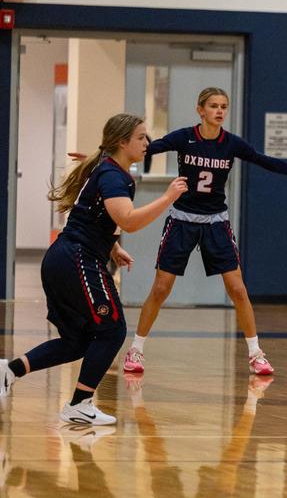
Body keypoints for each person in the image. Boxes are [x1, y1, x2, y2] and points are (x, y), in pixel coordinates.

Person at [121, 87, 287, 376]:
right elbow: (145, 149)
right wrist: (102, 158)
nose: (220, 111)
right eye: (213, 106)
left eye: (223, 106)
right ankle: (136, 349)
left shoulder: (231, 143)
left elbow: (265, 160)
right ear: (201, 110)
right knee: (161, 288)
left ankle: (256, 354)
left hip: (216, 222)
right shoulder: (184, 137)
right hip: (182, 220)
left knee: (237, 288)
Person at [0, 114, 188, 424]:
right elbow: (128, 220)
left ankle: (9, 371)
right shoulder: (114, 176)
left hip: (66, 258)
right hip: (77, 259)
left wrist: (113, 247)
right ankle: (79, 404)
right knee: (112, 330)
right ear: (122, 142)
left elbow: (94, 215)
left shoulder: (109, 169)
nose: (148, 143)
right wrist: (168, 197)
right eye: (141, 137)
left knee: (78, 341)